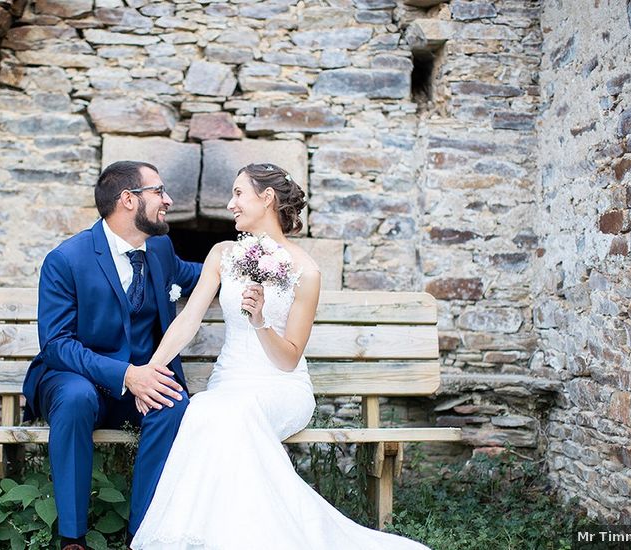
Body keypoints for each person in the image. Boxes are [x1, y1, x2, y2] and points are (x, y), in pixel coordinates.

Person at [130, 164, 431, 549]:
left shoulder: (306, 270)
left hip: (280, 387)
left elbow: (288, 359)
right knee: (205, 410)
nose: (230, 203)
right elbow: (187, 319)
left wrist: (260, 321)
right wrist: (150, 371)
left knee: (235, 415)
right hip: (229, 386)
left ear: (266, 198)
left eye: (239, 194)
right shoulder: (223, 254)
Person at [22, 161, 203, 550]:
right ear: (127, 200)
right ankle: (73, 537)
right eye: (159, 191)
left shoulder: (160, 248)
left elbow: (200, 275)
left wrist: (257, 265)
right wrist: (126, 375)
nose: (168, 200)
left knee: (172, 401)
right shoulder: (66, 259)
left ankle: (143, 534)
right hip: (75, 376)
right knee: (75, 398)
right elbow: (56, 344)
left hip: (135, 385)